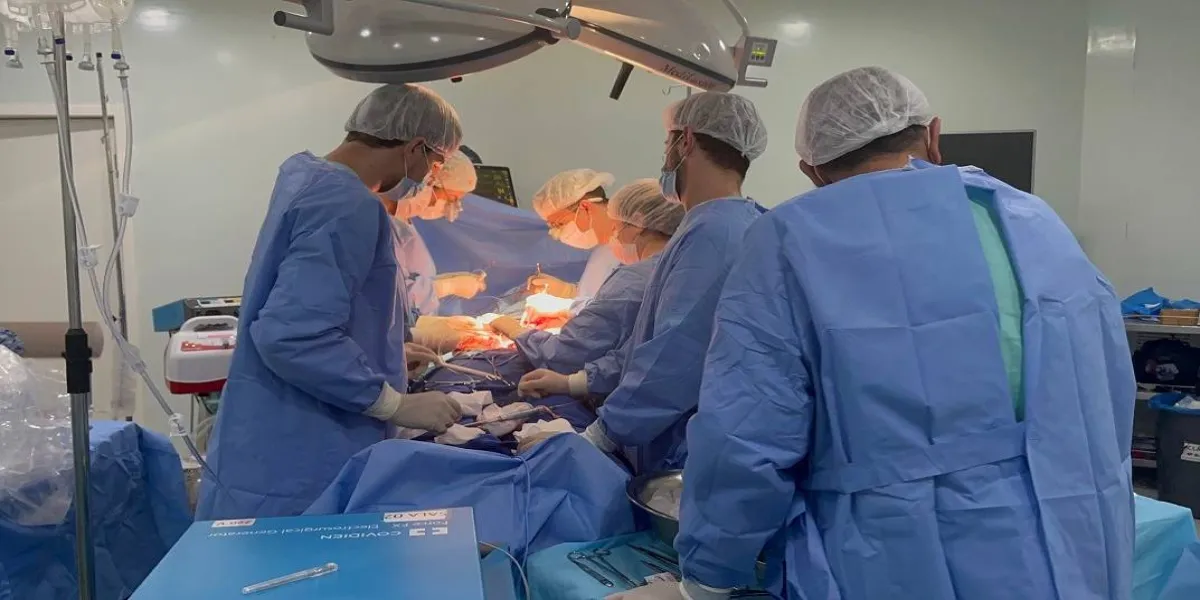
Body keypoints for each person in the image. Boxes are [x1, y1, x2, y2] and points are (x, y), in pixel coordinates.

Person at [617, 67, 1136, 600]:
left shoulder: (791, 237)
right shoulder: (1036, 220)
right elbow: (1110, 393)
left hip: (898, 557)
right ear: (934, 135)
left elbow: (747, 435)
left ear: (811, 169)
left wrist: (708, 576)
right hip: (1071, 543)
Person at [197, 84, 467, 520]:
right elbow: (292, 336)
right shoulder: (348, 203)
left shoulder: (306, 179)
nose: (428, 177)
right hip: (305, 445)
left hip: (271, 431)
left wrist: (382, 353)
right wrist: (393, 403)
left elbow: (313, 305)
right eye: (435, 164)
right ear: (415, 147)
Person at [581, 92, 768, 475]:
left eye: (667, 143)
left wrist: (604, 433)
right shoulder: (720, 222)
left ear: (686, 141)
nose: (665, 156)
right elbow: (651, 340)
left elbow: (675, 354)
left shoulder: (716, 233)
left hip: (681, 448)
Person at [488, 179, 684, 400]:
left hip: (641, 403)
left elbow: (566, 355)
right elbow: (631, 352)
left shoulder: (635, 278)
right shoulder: (684, 266)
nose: (615, 235)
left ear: (637, 225)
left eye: (617, 227)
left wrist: (516, 331)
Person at [386, 150, 487, 318]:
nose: (454, 206)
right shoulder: (388, 225)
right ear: (428, 183)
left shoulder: (404, 222)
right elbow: (393, 293)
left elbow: (409, 277)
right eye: (452, 198)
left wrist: (443, 281)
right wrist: (449, 286)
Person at [528, 169, 623, 303]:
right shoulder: (604, 248)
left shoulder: (632, 250)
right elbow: (594, 295)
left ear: (586, 208)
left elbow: (617, 308)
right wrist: (568, 292)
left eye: (560, 224)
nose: (557, 234)